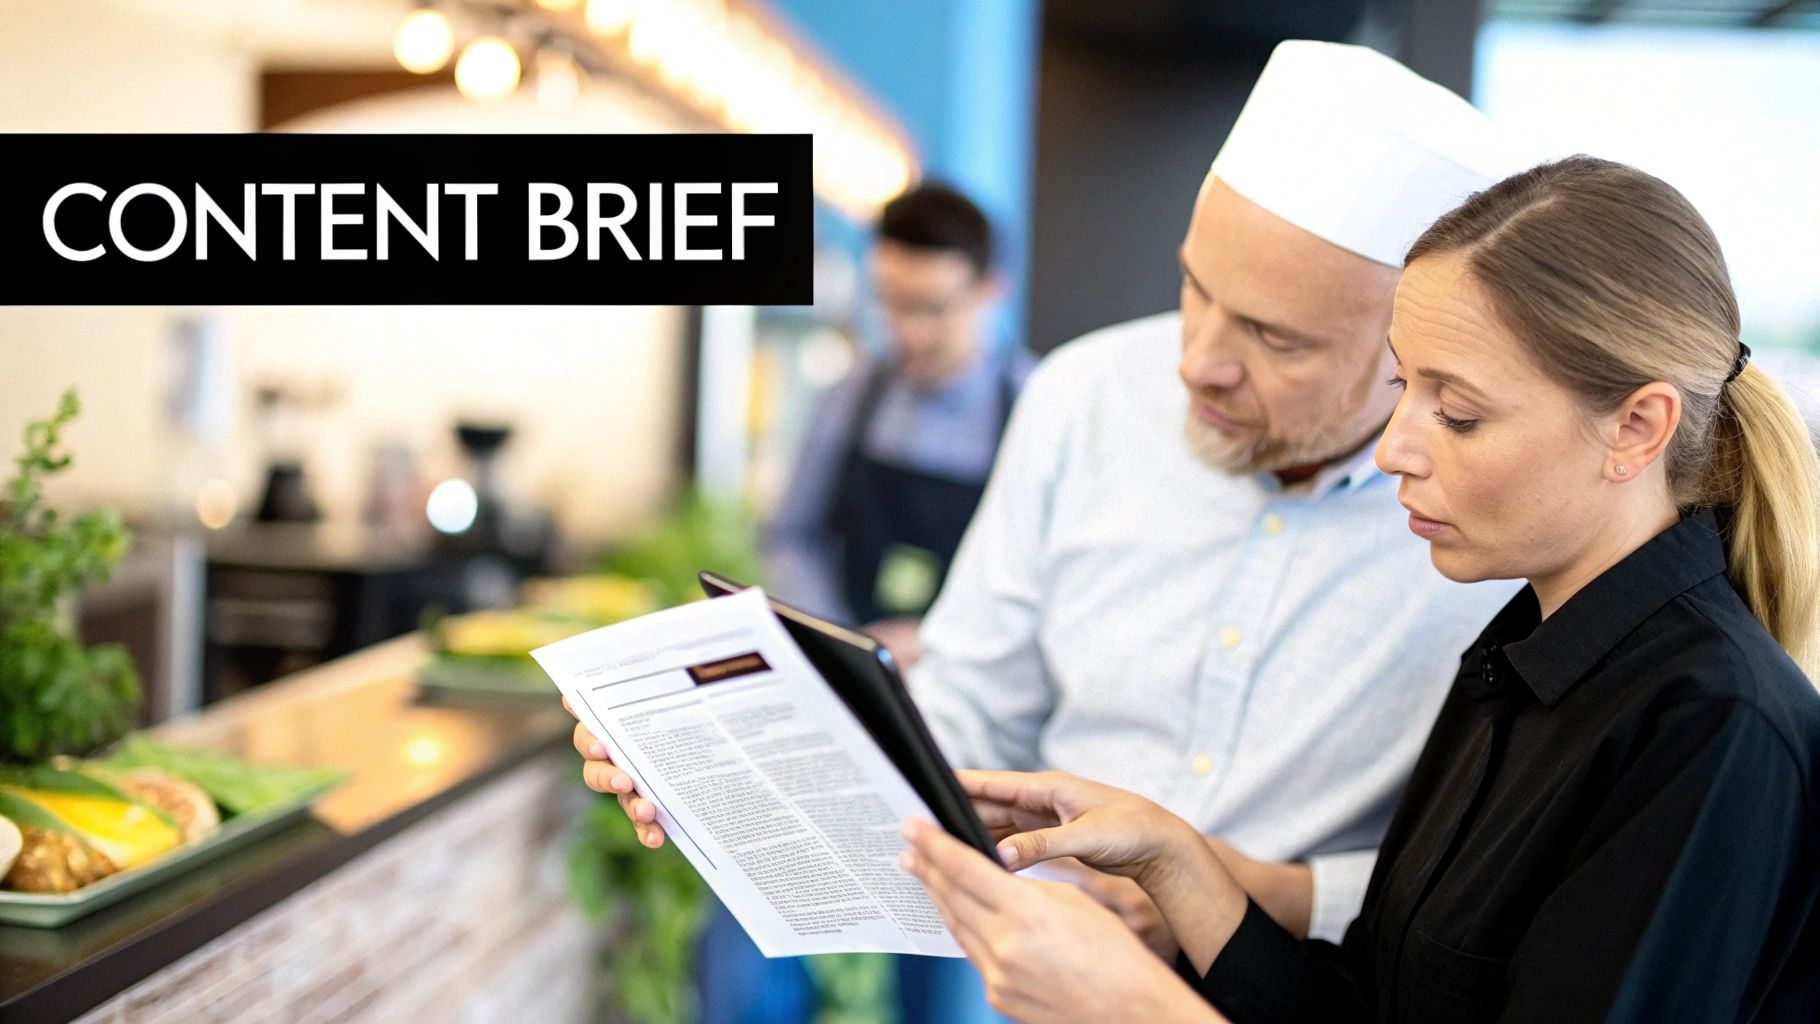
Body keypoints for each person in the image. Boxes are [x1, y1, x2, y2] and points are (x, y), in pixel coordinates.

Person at [573, 38, 1530, 990]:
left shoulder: (1491, 526)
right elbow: (966, 711)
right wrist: (730, 759)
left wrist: (1228, 893)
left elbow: (1496, 892)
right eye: (1195, 286)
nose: (1200, 360)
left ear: (1412, 348)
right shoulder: (1082, 397)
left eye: (1275, 338)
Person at [898, 155, 1820, 1023]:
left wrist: (1145, 1006)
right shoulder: (1517, 652)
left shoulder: (1713, 724)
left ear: (1636, 428)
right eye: (1403, 387)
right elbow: (1378, 1002)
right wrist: (1177, 862)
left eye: (1457, 414)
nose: (1394, 450)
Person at [763, 181, 1034, 668]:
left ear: (991, 290)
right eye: (890, 302)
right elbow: (791, 536)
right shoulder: (846, 397)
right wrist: (841, 638)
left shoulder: (1040, 410)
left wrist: (940, 639)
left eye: (931, 307)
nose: (910, 331)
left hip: (976, 687)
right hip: (855, 672)